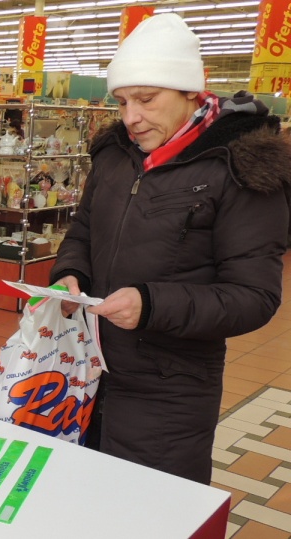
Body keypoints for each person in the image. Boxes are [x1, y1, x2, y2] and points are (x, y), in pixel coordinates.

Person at [50, 13, 291, 484]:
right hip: (86, 368)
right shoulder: (116, 153)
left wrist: (151, 303)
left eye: (145, 99)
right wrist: (69, 271)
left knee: (149, 512)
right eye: (121, 101)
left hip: (170, 391)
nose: (130, 117)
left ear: (189, 91)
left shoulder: (239, 167)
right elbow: (83, 228)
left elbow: (254, 296)